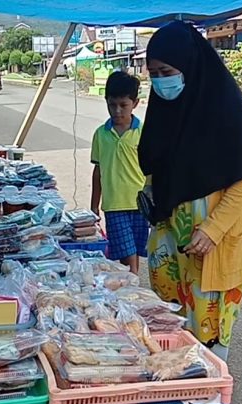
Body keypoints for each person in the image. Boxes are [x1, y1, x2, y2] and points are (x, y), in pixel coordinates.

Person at [138, 21, 242, 361]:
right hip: (172, 240)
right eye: (153, 73)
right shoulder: (165, 111)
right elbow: (158, 163)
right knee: (173, 326)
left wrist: (213, 229)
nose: (160, 81)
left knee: (209, 339)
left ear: (190, 66)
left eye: (167, 71)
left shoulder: (225, 109)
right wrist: (149, 190)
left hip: (213, 242)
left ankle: (208, 403)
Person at [90, 71, 147, 274]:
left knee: (135, 250)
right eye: (112, 105)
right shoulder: (100, 134)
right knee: (126, 251)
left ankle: (132, 285)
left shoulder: (143, 132)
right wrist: (93, 207)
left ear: (135, 103)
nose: (117, 111)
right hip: (114, 205)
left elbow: (152, 169)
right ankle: (132, 284)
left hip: (140, 202)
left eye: (123, 105)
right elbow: (97, 172)